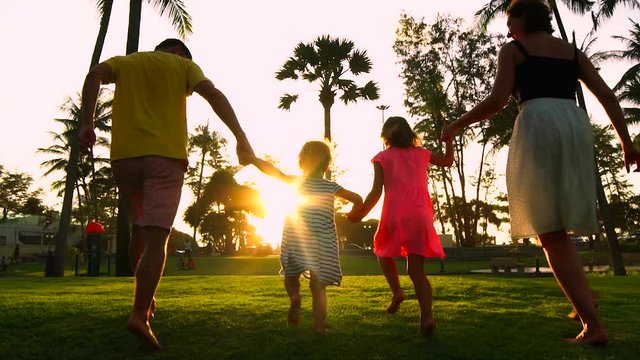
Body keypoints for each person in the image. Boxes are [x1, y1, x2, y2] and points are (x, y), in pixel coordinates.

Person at [440, 0, 640, 346]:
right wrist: (626, 143)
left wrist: (457, 124)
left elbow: (498, 100)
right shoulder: (572, 52)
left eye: (510, 20)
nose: (507, 29)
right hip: (574, 125)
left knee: (548, 229)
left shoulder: (513, 50)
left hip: (539, 123)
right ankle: (584, 297)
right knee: (556, 227)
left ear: (522, 18)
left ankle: (593, 326)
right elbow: (606, 95)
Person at [78, 38, 256, 351]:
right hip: (165, 158)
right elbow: (213, 94)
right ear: (176, 52)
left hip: (125, 158)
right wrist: (241, 137)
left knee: (139, 227)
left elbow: (94, 75)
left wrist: (88, 123)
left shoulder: (126, 61)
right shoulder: (183, 64)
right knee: (157, 238)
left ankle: (145, 296)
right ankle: (139, 314)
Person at [348, 116, 454, 337]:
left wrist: (360, 214)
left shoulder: (382, 158)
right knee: (416, 271)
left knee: (381, 248)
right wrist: (449, 139)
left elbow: (376, 192)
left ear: (386, 136)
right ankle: (427, 317)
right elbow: (447, 161)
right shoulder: (422, 154)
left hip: (396, 213)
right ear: (410, 134)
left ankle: (397, 292)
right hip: (420, 214)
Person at [251, 141, 363, 333]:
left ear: (301, 163)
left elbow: (272, 171)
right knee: (318, 287)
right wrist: (354, 214)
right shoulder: (331, 187)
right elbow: (358, 199)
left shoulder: (295, 181)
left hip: (296, 238)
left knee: (290, 275)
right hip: (322, 243)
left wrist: (254, 160)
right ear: (327, 166)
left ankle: (295, 296)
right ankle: (319, 327)